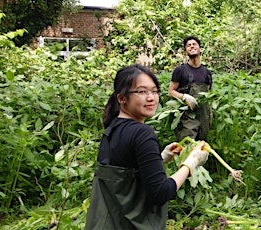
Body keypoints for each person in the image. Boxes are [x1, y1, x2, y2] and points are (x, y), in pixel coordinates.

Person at [85, 64, 209, 230]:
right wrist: (190, 163)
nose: (151, 97)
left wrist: (160, 159)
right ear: (121, 98)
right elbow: (161, 192)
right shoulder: (142, 133)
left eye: (154, 91)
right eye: (142, 91)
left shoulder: (113, 128)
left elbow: (125, 177)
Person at [168, 36, 213, 142]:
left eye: (194, 44)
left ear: (200, 49)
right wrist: (184, 97)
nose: (192, 46)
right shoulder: (180, 70)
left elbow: (208, 94)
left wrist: (210, 114)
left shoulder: (207, 72)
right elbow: (170, 92)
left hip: (204, 117)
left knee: (201, 148)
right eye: (188, 45)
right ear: (186, 51)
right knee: (186, 146)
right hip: (187, 117)